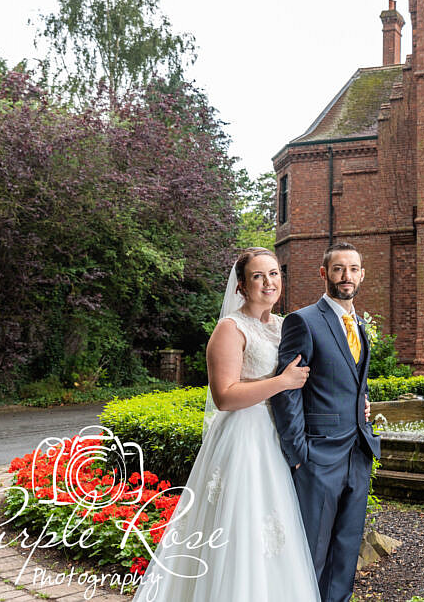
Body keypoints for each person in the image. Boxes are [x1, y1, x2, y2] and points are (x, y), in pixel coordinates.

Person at [132, 248, 320, 602]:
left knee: (274, 530)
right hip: (244, 437)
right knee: (240, 526)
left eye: (274, 274)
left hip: (279, 436)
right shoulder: (230, 328)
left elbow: (308, 381)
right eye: (258, 276)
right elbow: (225, 396)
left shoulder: (284, 326)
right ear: (241, 286)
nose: (269, 282)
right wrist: (281, 381)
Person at [271, 242, 380, 602]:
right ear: (324, 274)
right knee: (310, 554)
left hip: (357, 453)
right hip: (318, 458)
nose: (346, 276)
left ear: (362, 274)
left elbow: (350, 382)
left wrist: (360, 406)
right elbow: (285, 390)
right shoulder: (303, 321)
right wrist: (299, 454)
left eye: (353, 269)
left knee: (345, 554)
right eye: (338, 269)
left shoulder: (359, 324)